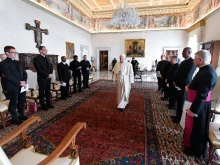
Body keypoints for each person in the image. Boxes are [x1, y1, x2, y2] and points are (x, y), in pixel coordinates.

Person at [183, 50, 217, 160]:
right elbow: (198, 86)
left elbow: (202, 94)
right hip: (196, 102)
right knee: (194, 128)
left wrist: (193, 110)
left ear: (200, 60)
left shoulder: (208, 73)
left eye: (195, 59)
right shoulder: (204, 70)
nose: (193, 61)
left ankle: (195, 150)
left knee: (198, 129)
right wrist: (190, 87)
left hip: (199, 106)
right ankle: (190, 145)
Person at [1, 46, 28, 124]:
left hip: (22, 85)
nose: (15, 54)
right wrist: (19, 82)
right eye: (13, 52)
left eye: (15, 52)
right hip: (12, 86)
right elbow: (8, 76)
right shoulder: (3, 63)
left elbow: (24, 73)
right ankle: (15, 119)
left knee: (21, 101)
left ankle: (22, 115)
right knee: (13, 103)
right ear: (7, 53)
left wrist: (24, 81)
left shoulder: (18, 62)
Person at [171, 47, 196, 123]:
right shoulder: (183, 62)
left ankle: (180, 118)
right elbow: (178, 73)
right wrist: (175, 81)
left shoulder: (192, 62)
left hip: (184, 86)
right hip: (178, 84)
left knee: (182, 102)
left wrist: (178, 83)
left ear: (189, 53)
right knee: (178, 101)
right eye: (182, 51)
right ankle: (177, 115)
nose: (182, 53)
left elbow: (187, 76)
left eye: (184, 51)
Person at [33, 46, 54, 110]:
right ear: (40, 51)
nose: (46, 51)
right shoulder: (36, 58)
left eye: (46, 50)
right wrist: (47, 75)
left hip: (48, 77)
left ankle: (48, 103)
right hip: (42, 78)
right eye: (44, 50)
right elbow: (39, 69)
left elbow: (51, 66)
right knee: (42, 92)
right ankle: (43, 105)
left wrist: (50, 73)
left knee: (48, 90)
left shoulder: (47, 58)